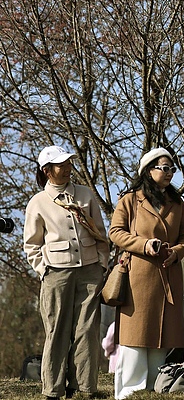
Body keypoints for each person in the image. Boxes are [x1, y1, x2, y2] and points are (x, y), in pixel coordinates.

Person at [24, 145, 110, 400]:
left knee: (87, 330)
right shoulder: (38, 202)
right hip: (56, 275)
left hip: (90, 271)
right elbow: (31, 245)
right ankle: (53, 389)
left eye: (69, 163)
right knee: (57, 331)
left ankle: (85, 387)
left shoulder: (85, 194)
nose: (68, 168)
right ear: (47, 171)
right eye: (62, 164)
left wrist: (101, 265)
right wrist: (44, 270)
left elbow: (101, 235)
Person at [108, 148, 184, 398]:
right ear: (148, 170)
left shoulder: (178, 203)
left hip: (169, 275)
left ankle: (155, 390)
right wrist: (144, 245)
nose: (169, 173)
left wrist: (177, 251)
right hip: (139, 277)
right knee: (136, 337)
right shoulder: (129, 200)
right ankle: (128, 393)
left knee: (162, 337)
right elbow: (116, 232)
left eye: (172, 169)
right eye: (164, 168)